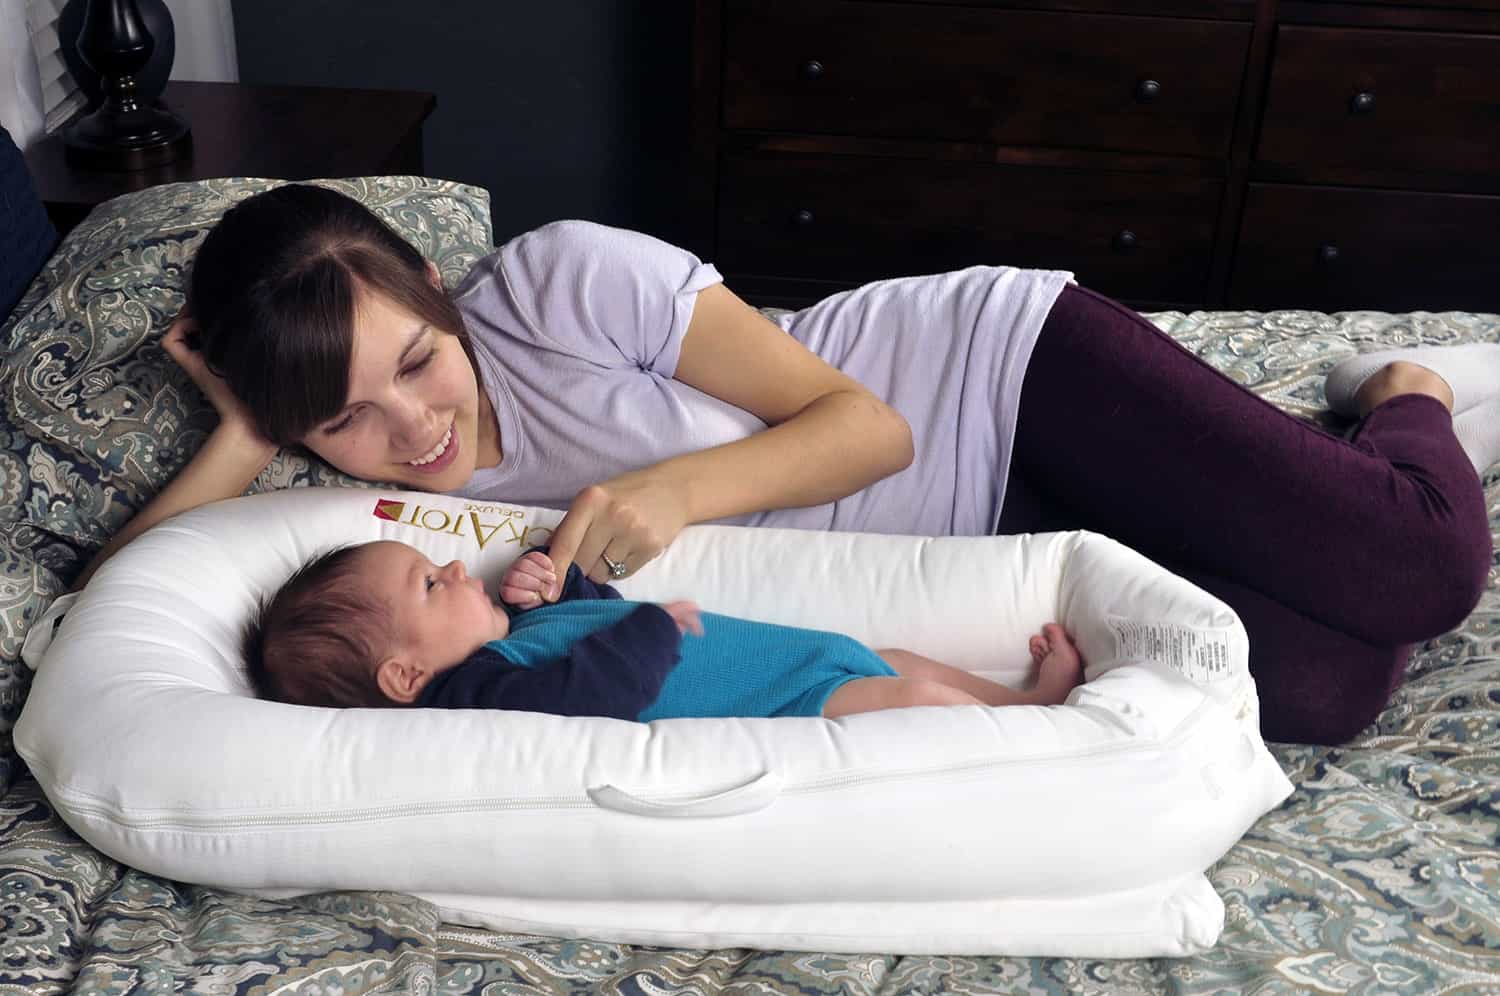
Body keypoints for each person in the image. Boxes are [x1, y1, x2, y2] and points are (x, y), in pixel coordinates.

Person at [83, 183, 1491, 744]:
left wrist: (674, 495)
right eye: (343, 421)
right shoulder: (389, 513)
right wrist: (248, 428)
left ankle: (1407, 389)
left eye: (413, 364)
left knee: (1418, 563)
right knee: (1323, 686)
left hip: (998, 381)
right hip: (989, 542)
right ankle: (1296, 471)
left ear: (440, 301)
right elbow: (135, 591)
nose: (411, 432)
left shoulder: (563, 285)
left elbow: (866, 425)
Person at [244, 540, 1084, 719]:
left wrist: (558, 585)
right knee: (911, 696)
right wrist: (648, 624)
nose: (459, 569)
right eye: (433, 585)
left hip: (808, 659)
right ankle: (1030, 739)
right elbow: (597, 690)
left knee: (898, 661)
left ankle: (1026, 704)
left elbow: (584, 630)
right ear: (403, 675)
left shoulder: (504, 645)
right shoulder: (478, 693)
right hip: (787, 705)